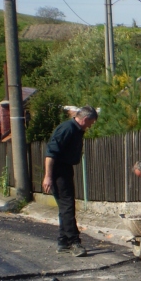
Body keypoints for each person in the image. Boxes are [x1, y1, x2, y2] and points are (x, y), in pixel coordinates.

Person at [42, 106, 97, 257]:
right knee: (67, 207)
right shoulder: (67, 129)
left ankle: (63, 241)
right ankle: (74, 242)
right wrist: (48, 176)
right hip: (58, 171)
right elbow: (51, 153)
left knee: (65, 207)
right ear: (85, 119)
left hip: (64, 169)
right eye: (90, 123)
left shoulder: (75, 129)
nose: (90, 126)